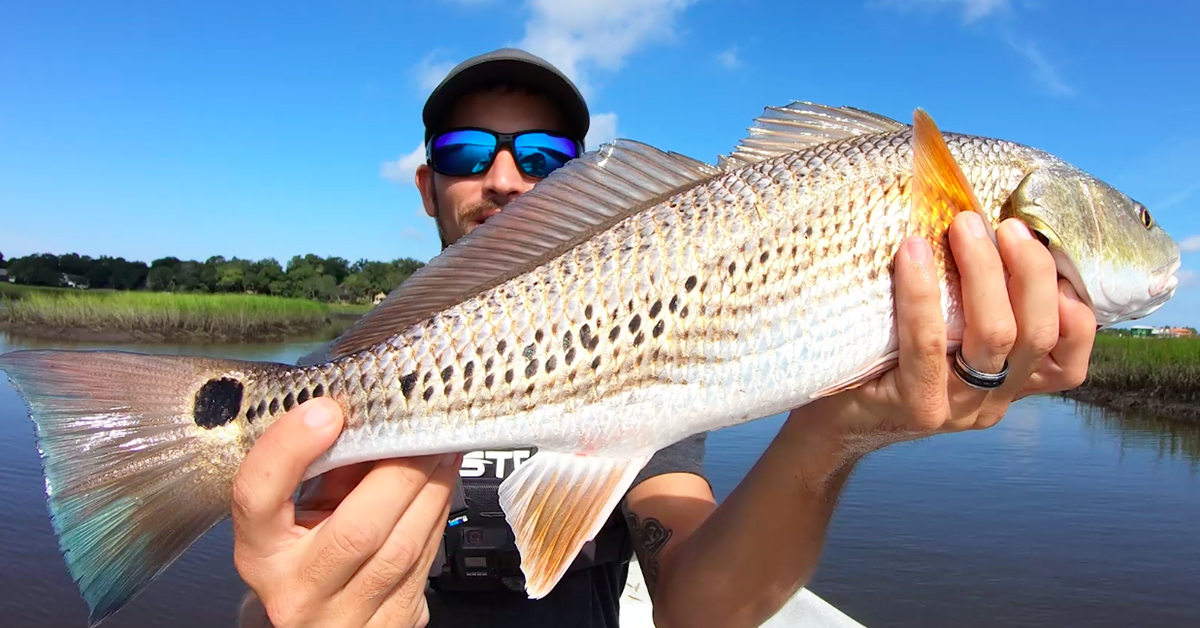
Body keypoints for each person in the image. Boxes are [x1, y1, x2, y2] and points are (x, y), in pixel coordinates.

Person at [233, 48, 1097, 628]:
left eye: (541, 157)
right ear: (426, 184)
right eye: (467, 150)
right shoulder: (350, 371)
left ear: (578, 183)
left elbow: (698, 604)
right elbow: (274, 567)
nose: (503, 179)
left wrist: (841, 427)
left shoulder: (649, 327)